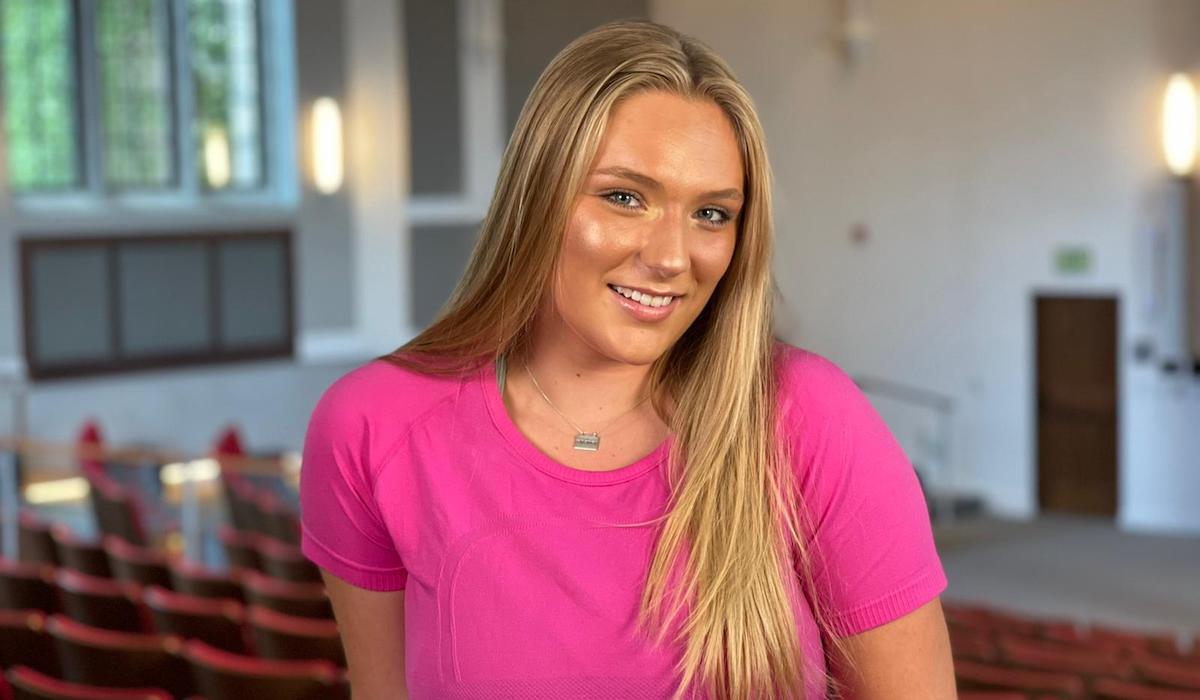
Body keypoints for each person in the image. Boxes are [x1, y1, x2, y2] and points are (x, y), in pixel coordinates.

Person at [300, 19, 955, 700]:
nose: (672, 256)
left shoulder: (810, 417)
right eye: (624, 198)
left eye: (711, 214)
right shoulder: (371, 425)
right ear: (537, 197)